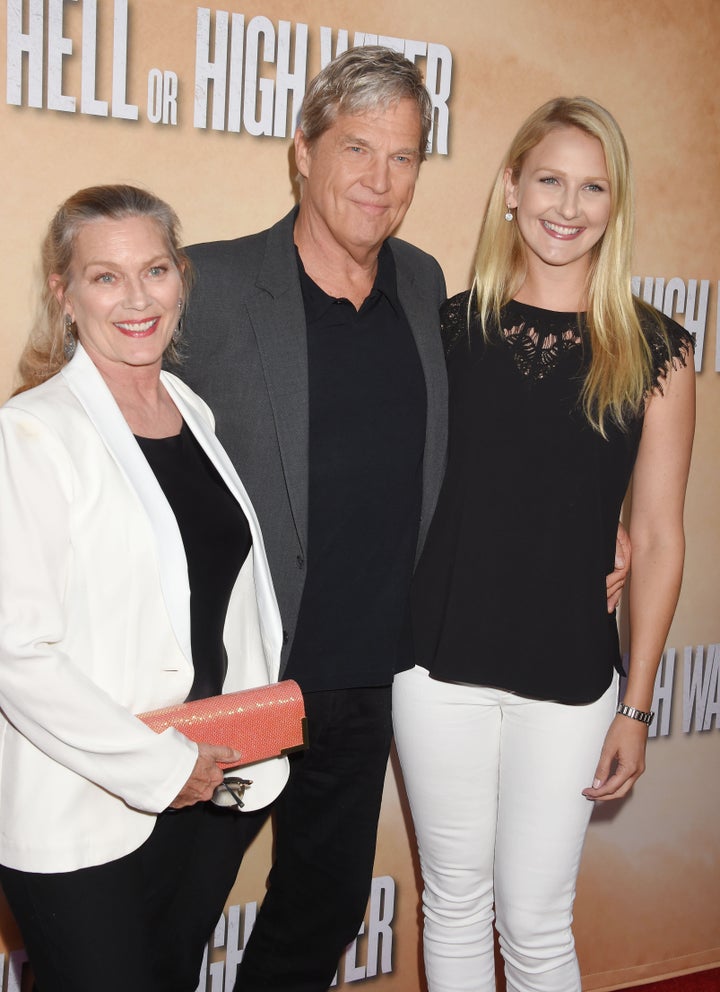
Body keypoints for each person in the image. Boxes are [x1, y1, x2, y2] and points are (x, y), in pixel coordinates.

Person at [392, 97, 695, 992]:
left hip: (569, 677)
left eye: (593, 186)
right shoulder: (442, 330)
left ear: (617, 203)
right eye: (550, 180)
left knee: (533, 920)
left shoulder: (657, 355)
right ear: (511, 190)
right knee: (451, 902)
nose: (569, 206)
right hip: (436, 663)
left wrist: (637, 708)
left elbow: (660, 536)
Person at [180, 46, 448, 992]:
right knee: (162, 923)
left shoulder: (422, 285)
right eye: (356, 148)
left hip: (364, 676)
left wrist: (603, 529)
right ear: (302, 149)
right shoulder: (208, 288)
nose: (380, 181)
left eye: (404, 156)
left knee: (320, 914)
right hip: (238, 681)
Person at [0, 184, 289, 992]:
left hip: (205, 799)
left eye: (155, 269)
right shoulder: (31, 434)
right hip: (87, 808)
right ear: (63, 294)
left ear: (180, 279)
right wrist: (161, 768)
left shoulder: (191, 409)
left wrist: (231, 750)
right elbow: (15, 654)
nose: (136, 298)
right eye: (105, 277)